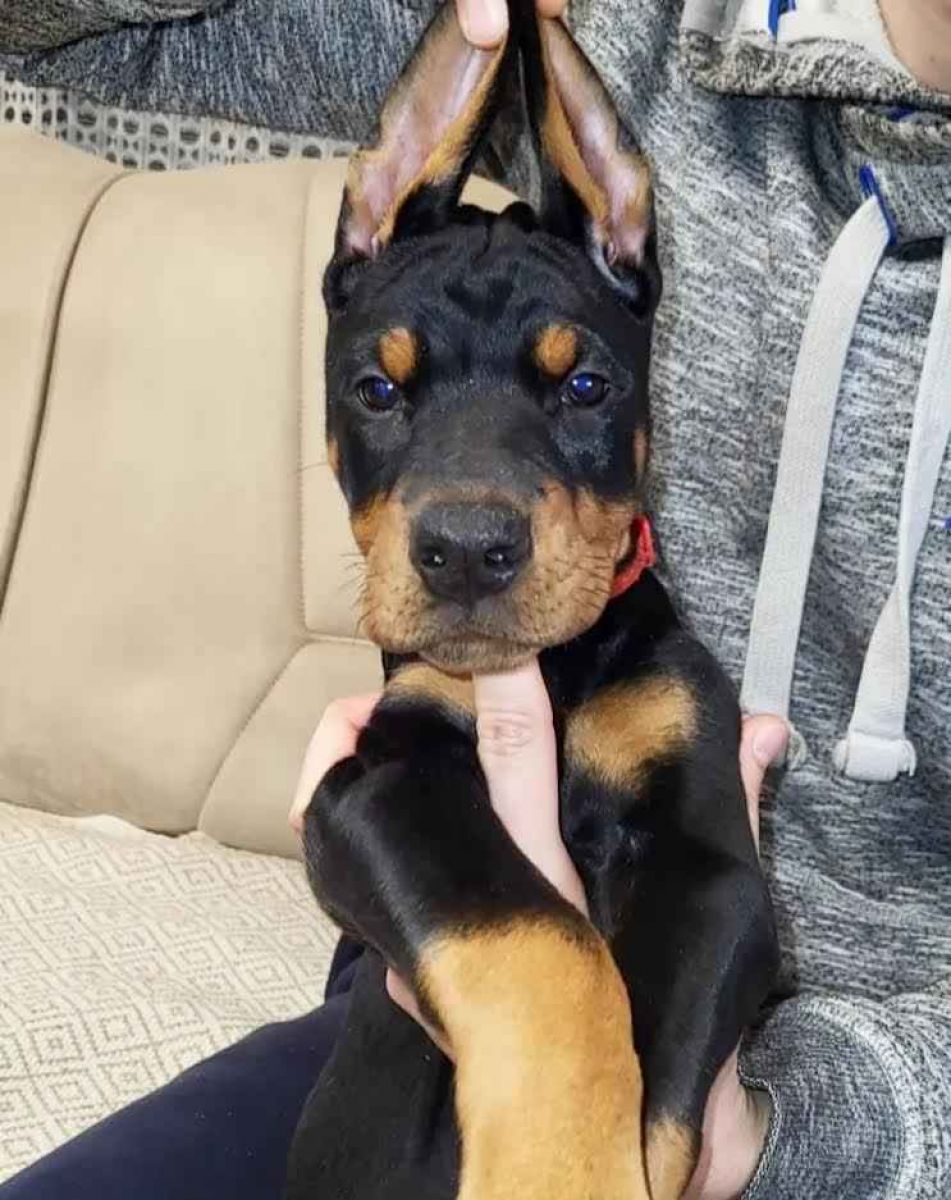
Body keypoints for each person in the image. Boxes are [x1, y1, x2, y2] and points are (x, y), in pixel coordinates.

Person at [2, 1, 948, 1198]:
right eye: (382, 395)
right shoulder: (619, 27)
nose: (464, 525)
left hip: (834, 1101)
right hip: (440, 966)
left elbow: (709, 898)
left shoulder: (655, 678)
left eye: (582, 389)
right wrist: (541, 1024)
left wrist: (744, 1142)